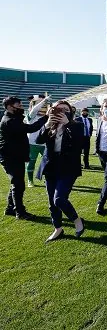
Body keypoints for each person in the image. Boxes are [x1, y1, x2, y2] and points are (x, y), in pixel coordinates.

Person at [35, 100, 85, 242]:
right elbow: (38, 140)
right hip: (50, 166)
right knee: (52, 202)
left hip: (68, 168)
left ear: (71, 112)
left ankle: (77, 220)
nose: (62, 112)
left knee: (59, 199)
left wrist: (67, 123)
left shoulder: (77, 125)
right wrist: (47, 124)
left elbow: (80, 143)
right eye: (59, 109)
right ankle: (58, 228)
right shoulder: (50, 125)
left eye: (66, 110)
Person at [0, 96, 49, 219]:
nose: (22, 108)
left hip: (15, 156)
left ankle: (10, 208)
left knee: (16, 183)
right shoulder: (9, 121)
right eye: (19, 106)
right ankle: (20, 212)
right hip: (11, 158)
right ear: (10, 107)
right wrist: (47, 117)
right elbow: (31, 128)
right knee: (18, 185)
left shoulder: (14, 118)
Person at [25, 95, 50, 187]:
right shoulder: (30, 116)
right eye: (40, 104)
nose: (42, 106)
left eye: (44, 105)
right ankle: (30, 180)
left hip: (45, 144)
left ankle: (48, 179)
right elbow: (34, 110)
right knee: (31, 162)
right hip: (32, 144)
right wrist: (43, 101)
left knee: (49, 162)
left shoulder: (47, 117)